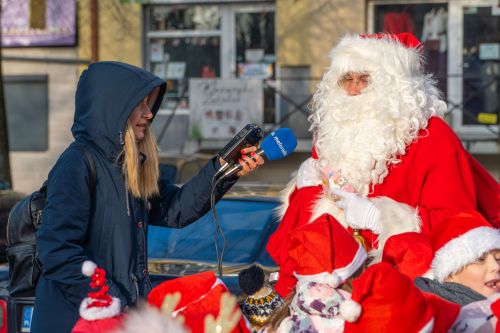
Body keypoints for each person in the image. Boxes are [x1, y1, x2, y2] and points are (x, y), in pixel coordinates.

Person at [31, 61, 264, 333]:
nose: (148, 114)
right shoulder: (77, 164)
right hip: (80, 323)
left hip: (120, 320)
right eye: (140, 105)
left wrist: (225, 167)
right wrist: (110, 304)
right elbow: (57, 251)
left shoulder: (132, 166)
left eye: (149, 104)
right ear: (113, 108)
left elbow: (176, 209)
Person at [267, 32, 500, 298]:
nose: (353, 88)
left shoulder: (434, 138)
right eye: (347, 79)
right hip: (327, 292)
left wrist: (381, 218)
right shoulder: (331, 137)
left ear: (395, 85)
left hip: (398, 293)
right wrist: (304, 191)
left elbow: (460, 225)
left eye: (365, 79)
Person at [415, 211, 500, 305]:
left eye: (499, 259)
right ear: (450, 274)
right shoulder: (434, 311)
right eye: (480, 259)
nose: (496, 267)